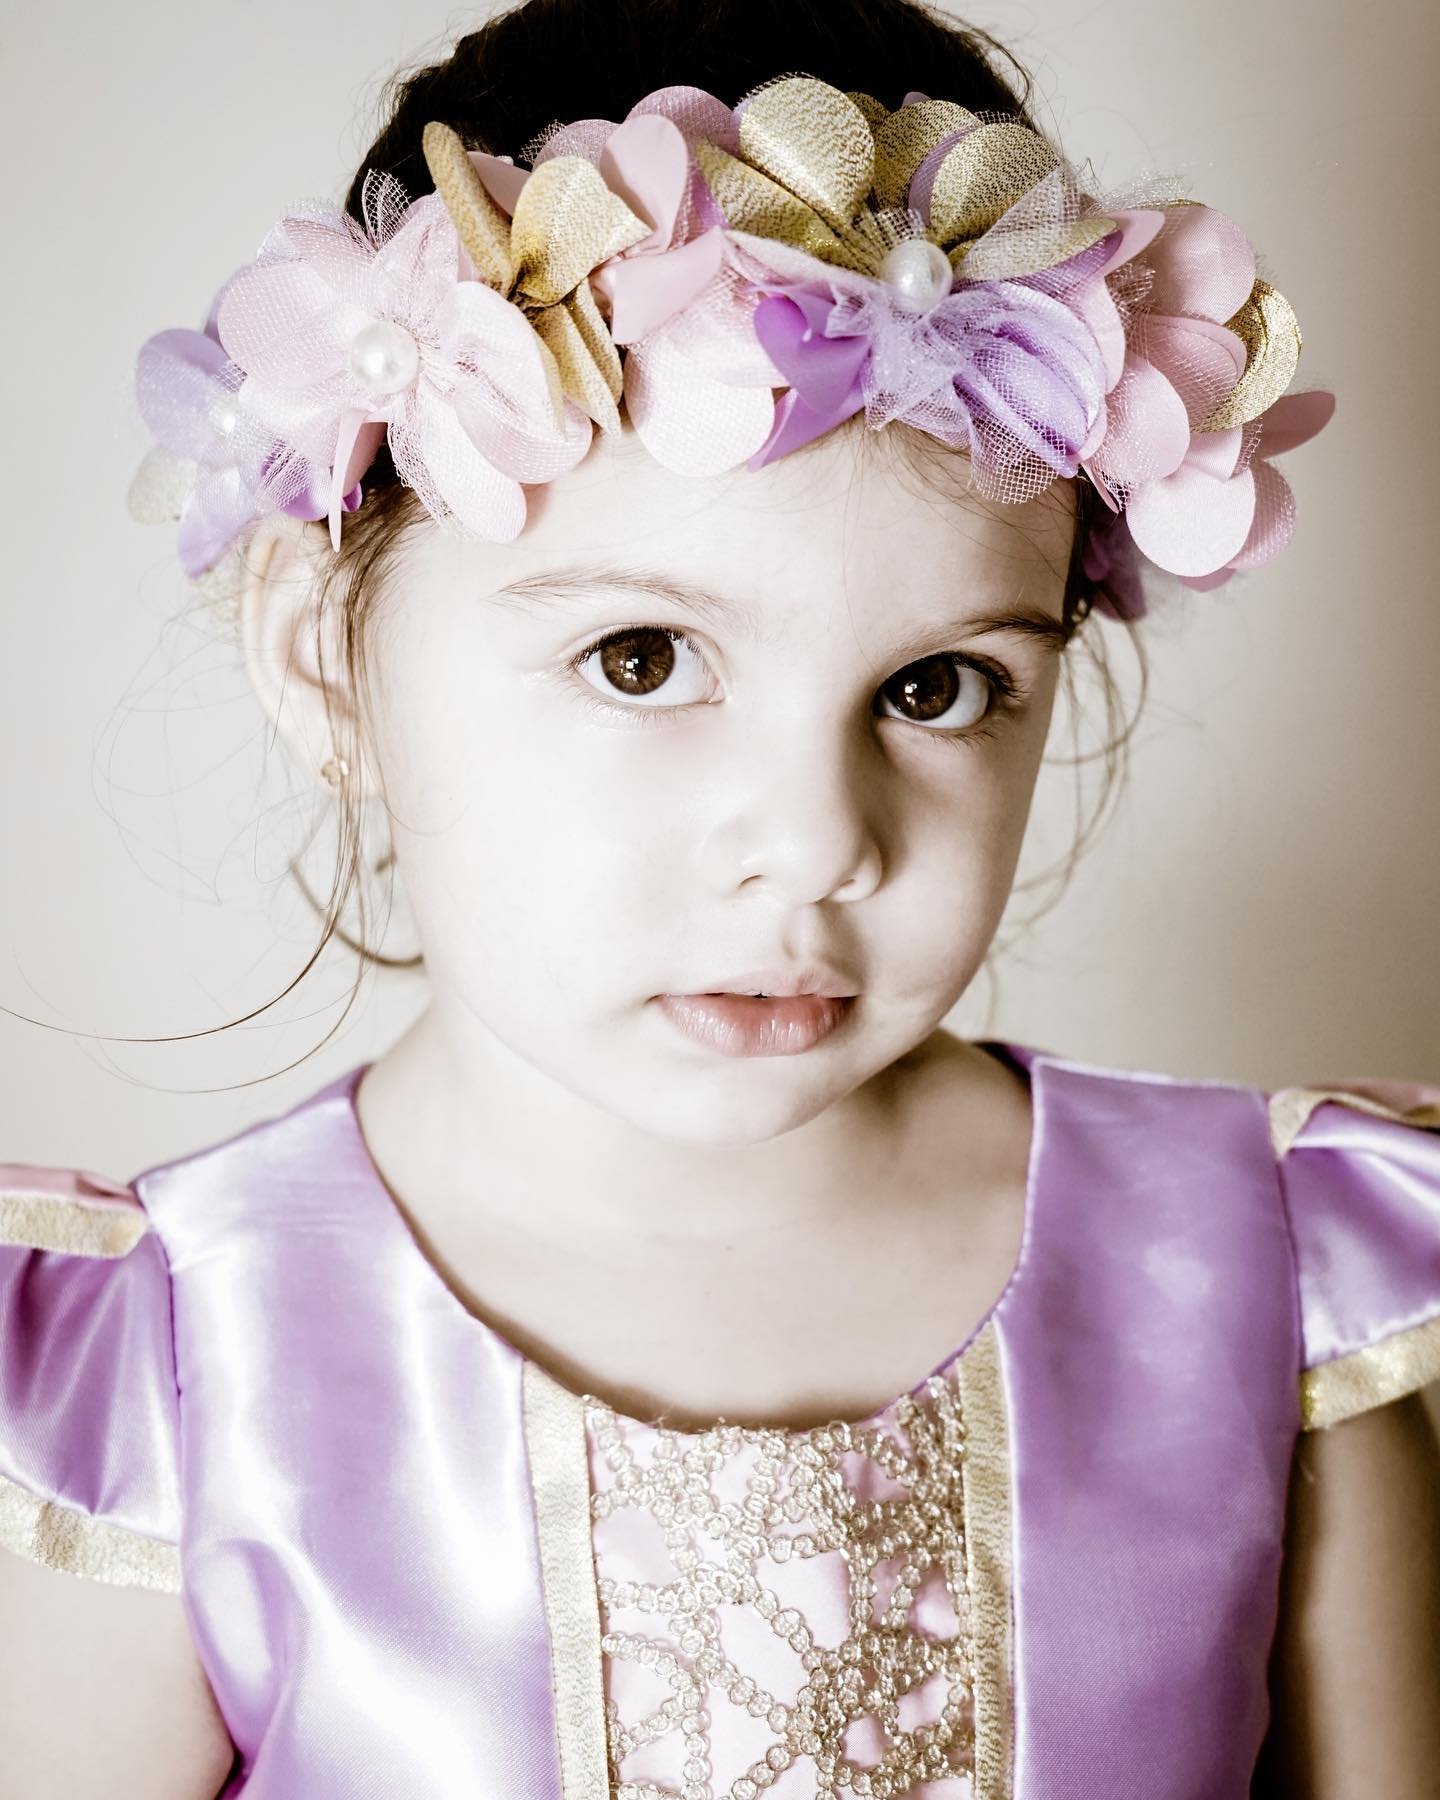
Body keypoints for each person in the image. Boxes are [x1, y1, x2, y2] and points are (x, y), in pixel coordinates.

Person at [2, 0, 1437, 1794]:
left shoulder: (1265, 1283)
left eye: (937, 687)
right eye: (642, 659)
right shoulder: (170, 1378)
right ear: (321, 661)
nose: (817, 842)